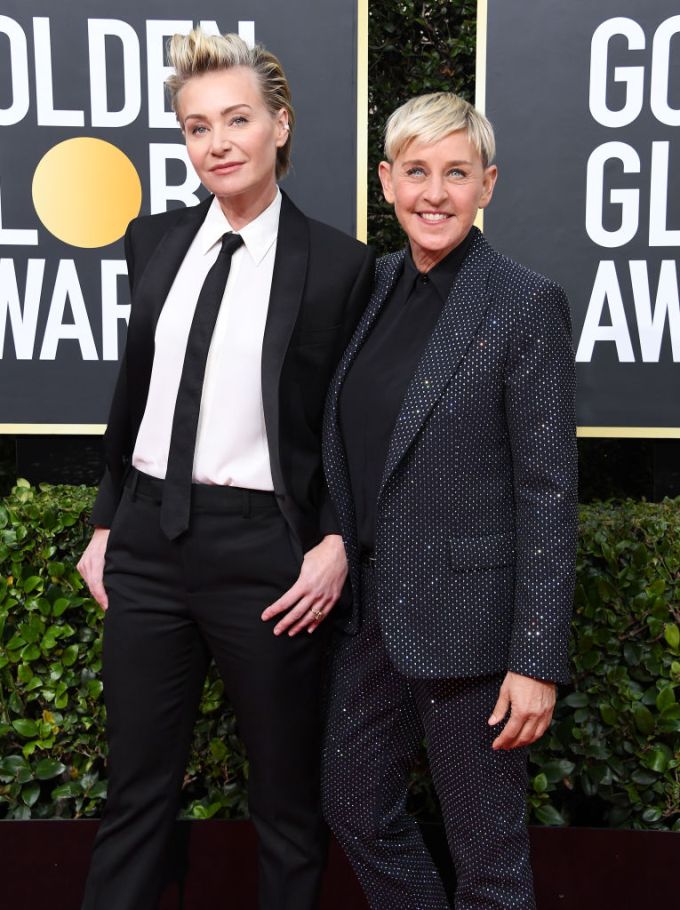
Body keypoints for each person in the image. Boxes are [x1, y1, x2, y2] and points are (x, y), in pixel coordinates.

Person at [77, 28, 374, 910]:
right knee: (134, 792)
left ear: (279, 126)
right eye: (198, 126)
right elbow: (135, 394)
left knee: (284, 802)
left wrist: (337, 542)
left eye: (237, 120)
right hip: (145, 541)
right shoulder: (154, 240)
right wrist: (105, 525)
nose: (218, 143)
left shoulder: (340, 265)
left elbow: (353, 428)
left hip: (264, 554)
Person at [321, 92, 577, 909]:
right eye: (418, 172)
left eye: (457, 173)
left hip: (473, 631)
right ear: (388, 182)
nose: (436, 193)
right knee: (356, 808)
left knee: (491, 865)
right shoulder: (368, 287)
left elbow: (549, 490)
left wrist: (535, 659)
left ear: (487, 186)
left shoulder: (522, 302)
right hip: (368, 616)